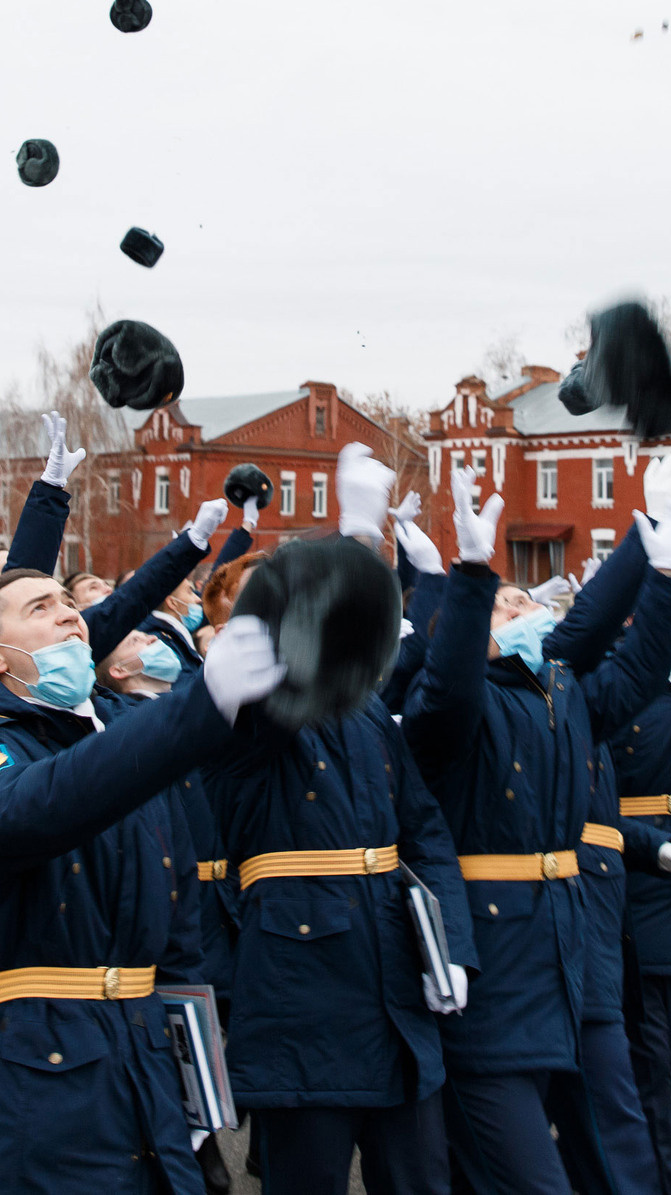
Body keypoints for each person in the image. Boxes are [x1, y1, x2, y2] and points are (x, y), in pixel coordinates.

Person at [0, 566, 286, 1195]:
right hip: (37, 1071)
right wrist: (199, 703)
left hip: (145, 1054)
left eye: (68, 602)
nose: (69, 612)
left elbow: (175, 918)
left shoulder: (119, 736)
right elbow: (37, 807)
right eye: (40, 608)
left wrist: (192, 1075)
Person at [400, 467, 671, 1195]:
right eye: (504, 604)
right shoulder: (449, 705)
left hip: (568, 949)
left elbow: (637, 665)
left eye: (524, 599)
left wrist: (665, 573)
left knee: (608, 1137)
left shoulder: (559, 693)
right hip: (491, 966)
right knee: (526, 1175)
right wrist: (471, 575)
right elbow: (450, 686)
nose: (521, 605)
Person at [200, 446, 471, 1195]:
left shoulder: (366, 713)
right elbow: (285, 684)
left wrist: (452, 945)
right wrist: (354, 539)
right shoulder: (237, 710)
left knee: (421, 1180)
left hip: (395, 984)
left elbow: (425, 836)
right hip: (303, 995)